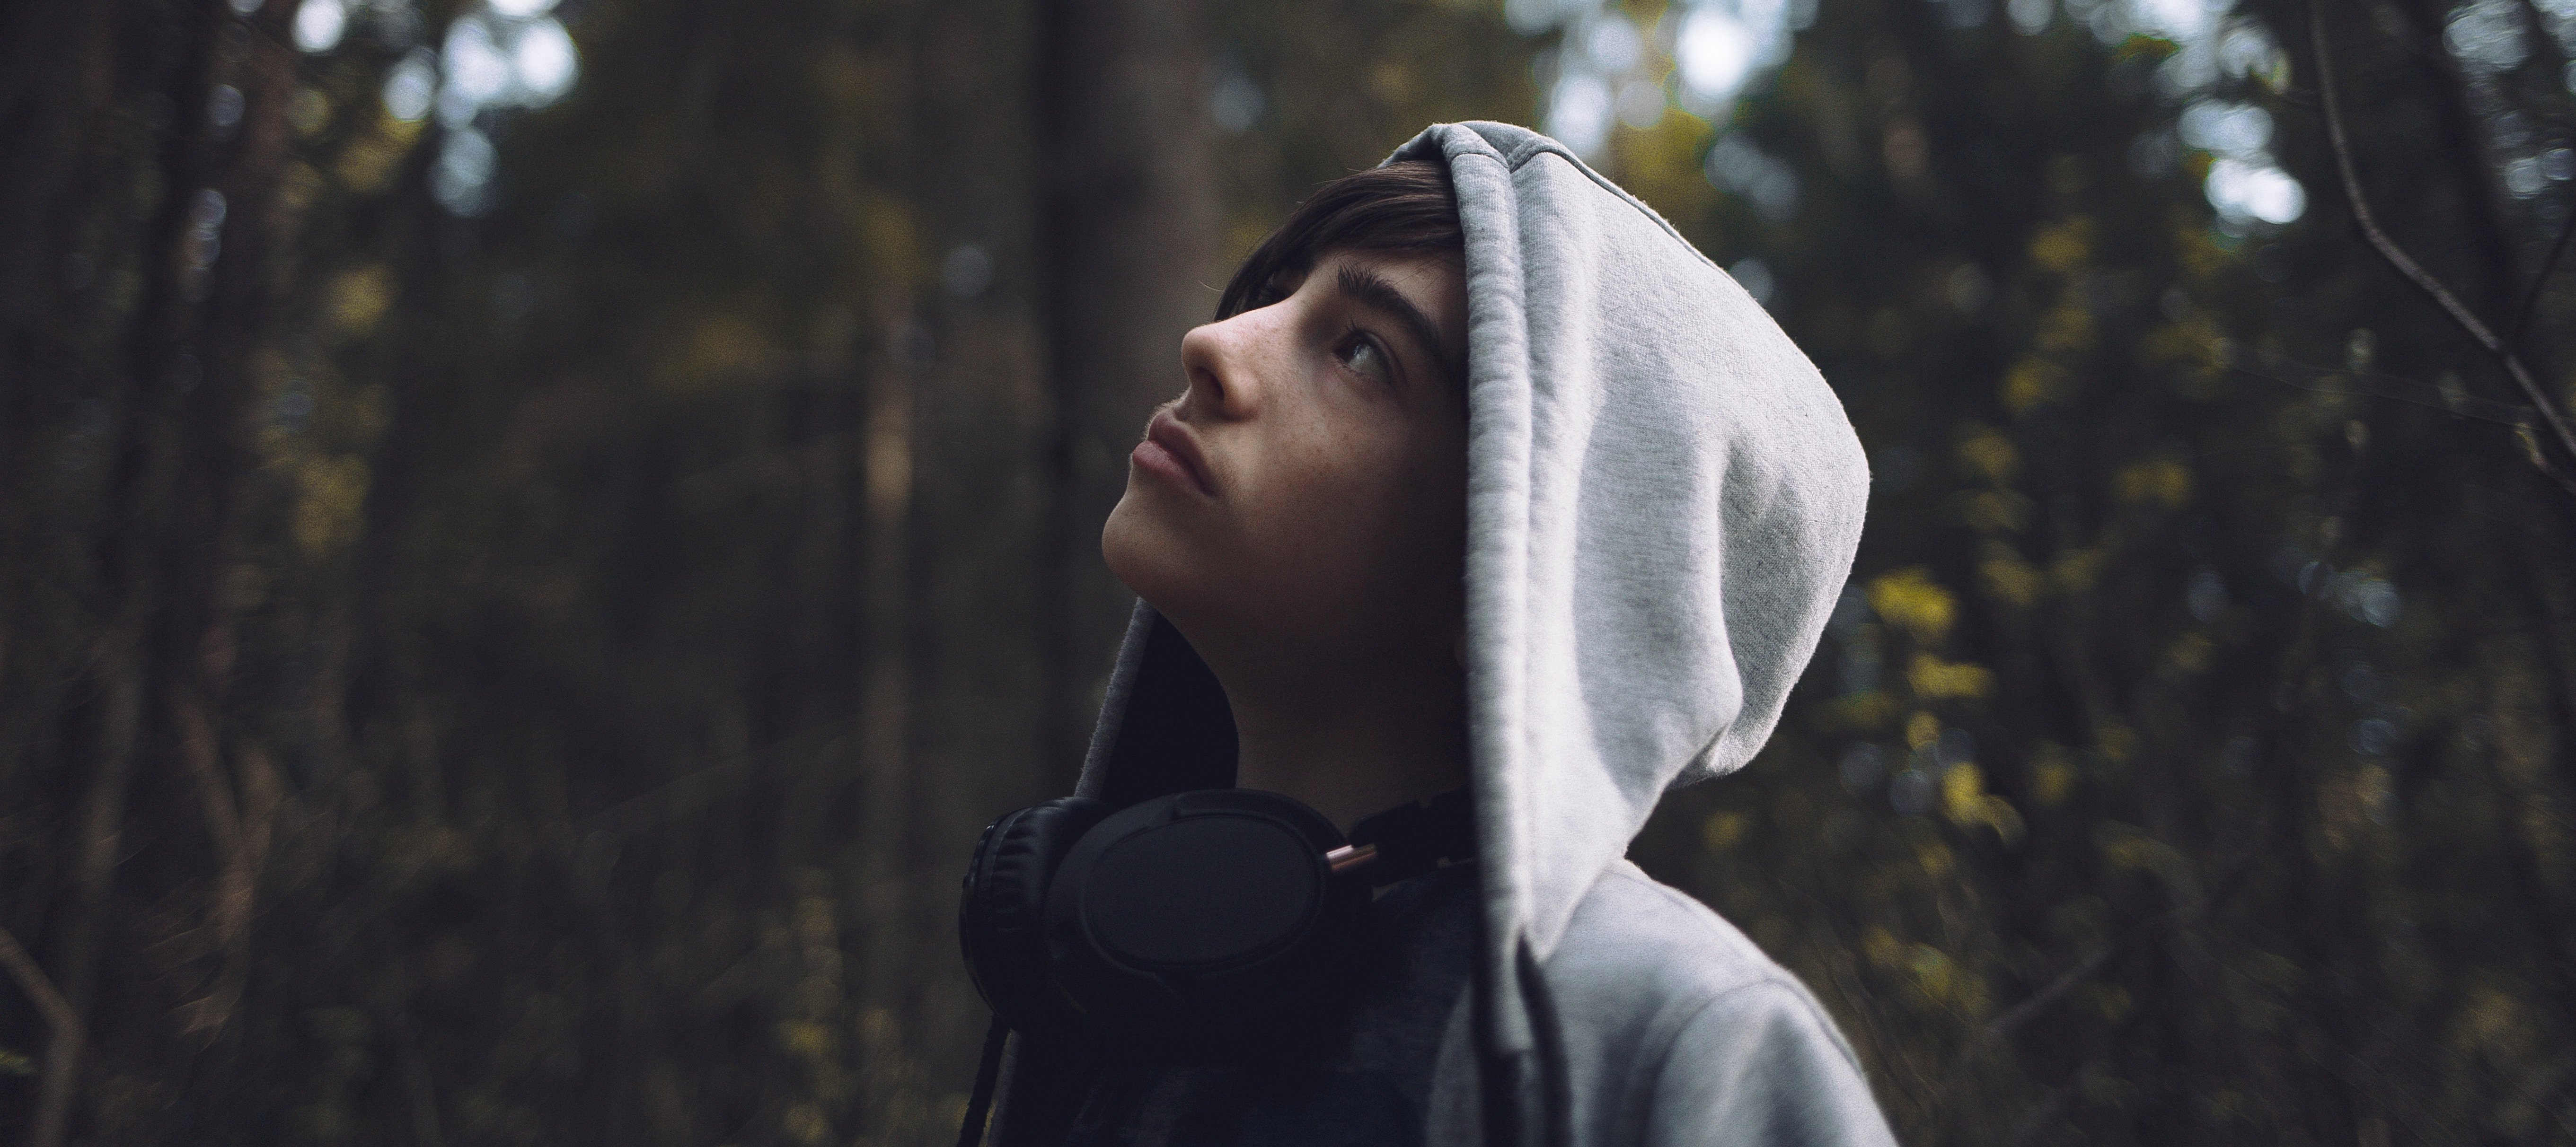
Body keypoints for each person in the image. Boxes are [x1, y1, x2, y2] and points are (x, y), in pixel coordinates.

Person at [955, 121, 1895, 1147]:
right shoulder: (1127, 969)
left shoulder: (1671, 1038)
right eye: (1278, 291)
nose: (1217, 344)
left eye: (1360, 351)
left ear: (1519, 548)